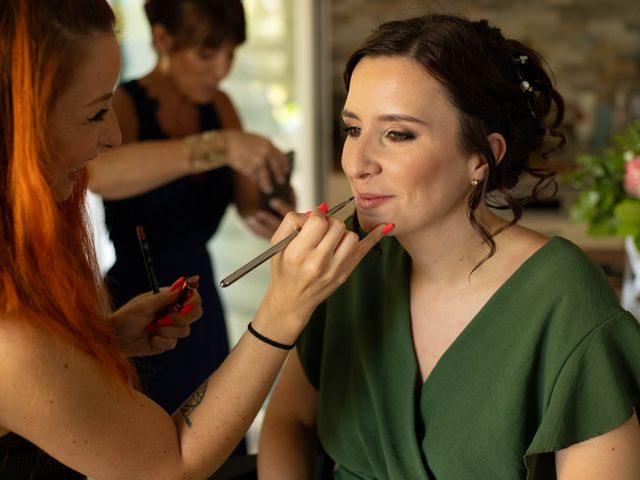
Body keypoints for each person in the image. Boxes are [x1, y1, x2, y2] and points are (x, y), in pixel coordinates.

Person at [0, 1, 390, 478]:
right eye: (96, 112)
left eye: (398, 134)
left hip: (183, 291)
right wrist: (284, 309)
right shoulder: (12, 338)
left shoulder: (24, 330)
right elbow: (170, 464)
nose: (113, 136)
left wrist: (103, 341)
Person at [258, 14, 640, 480]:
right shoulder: (349, 266)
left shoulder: (564, 297)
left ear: (482, 157)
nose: (357, 163)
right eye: (353, 129)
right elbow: (287, 421)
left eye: (397, 134)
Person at [88, 0, 295, 418]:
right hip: (134, 303)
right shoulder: (123, 105)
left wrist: (275, 200)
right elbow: (96, 174)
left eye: (230, 53)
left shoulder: (220, 107)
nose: (222, 69)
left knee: (213, 420)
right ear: (162, 39)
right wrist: (219, 147)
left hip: (199, 297)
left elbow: (251, 206)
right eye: (206, 54)